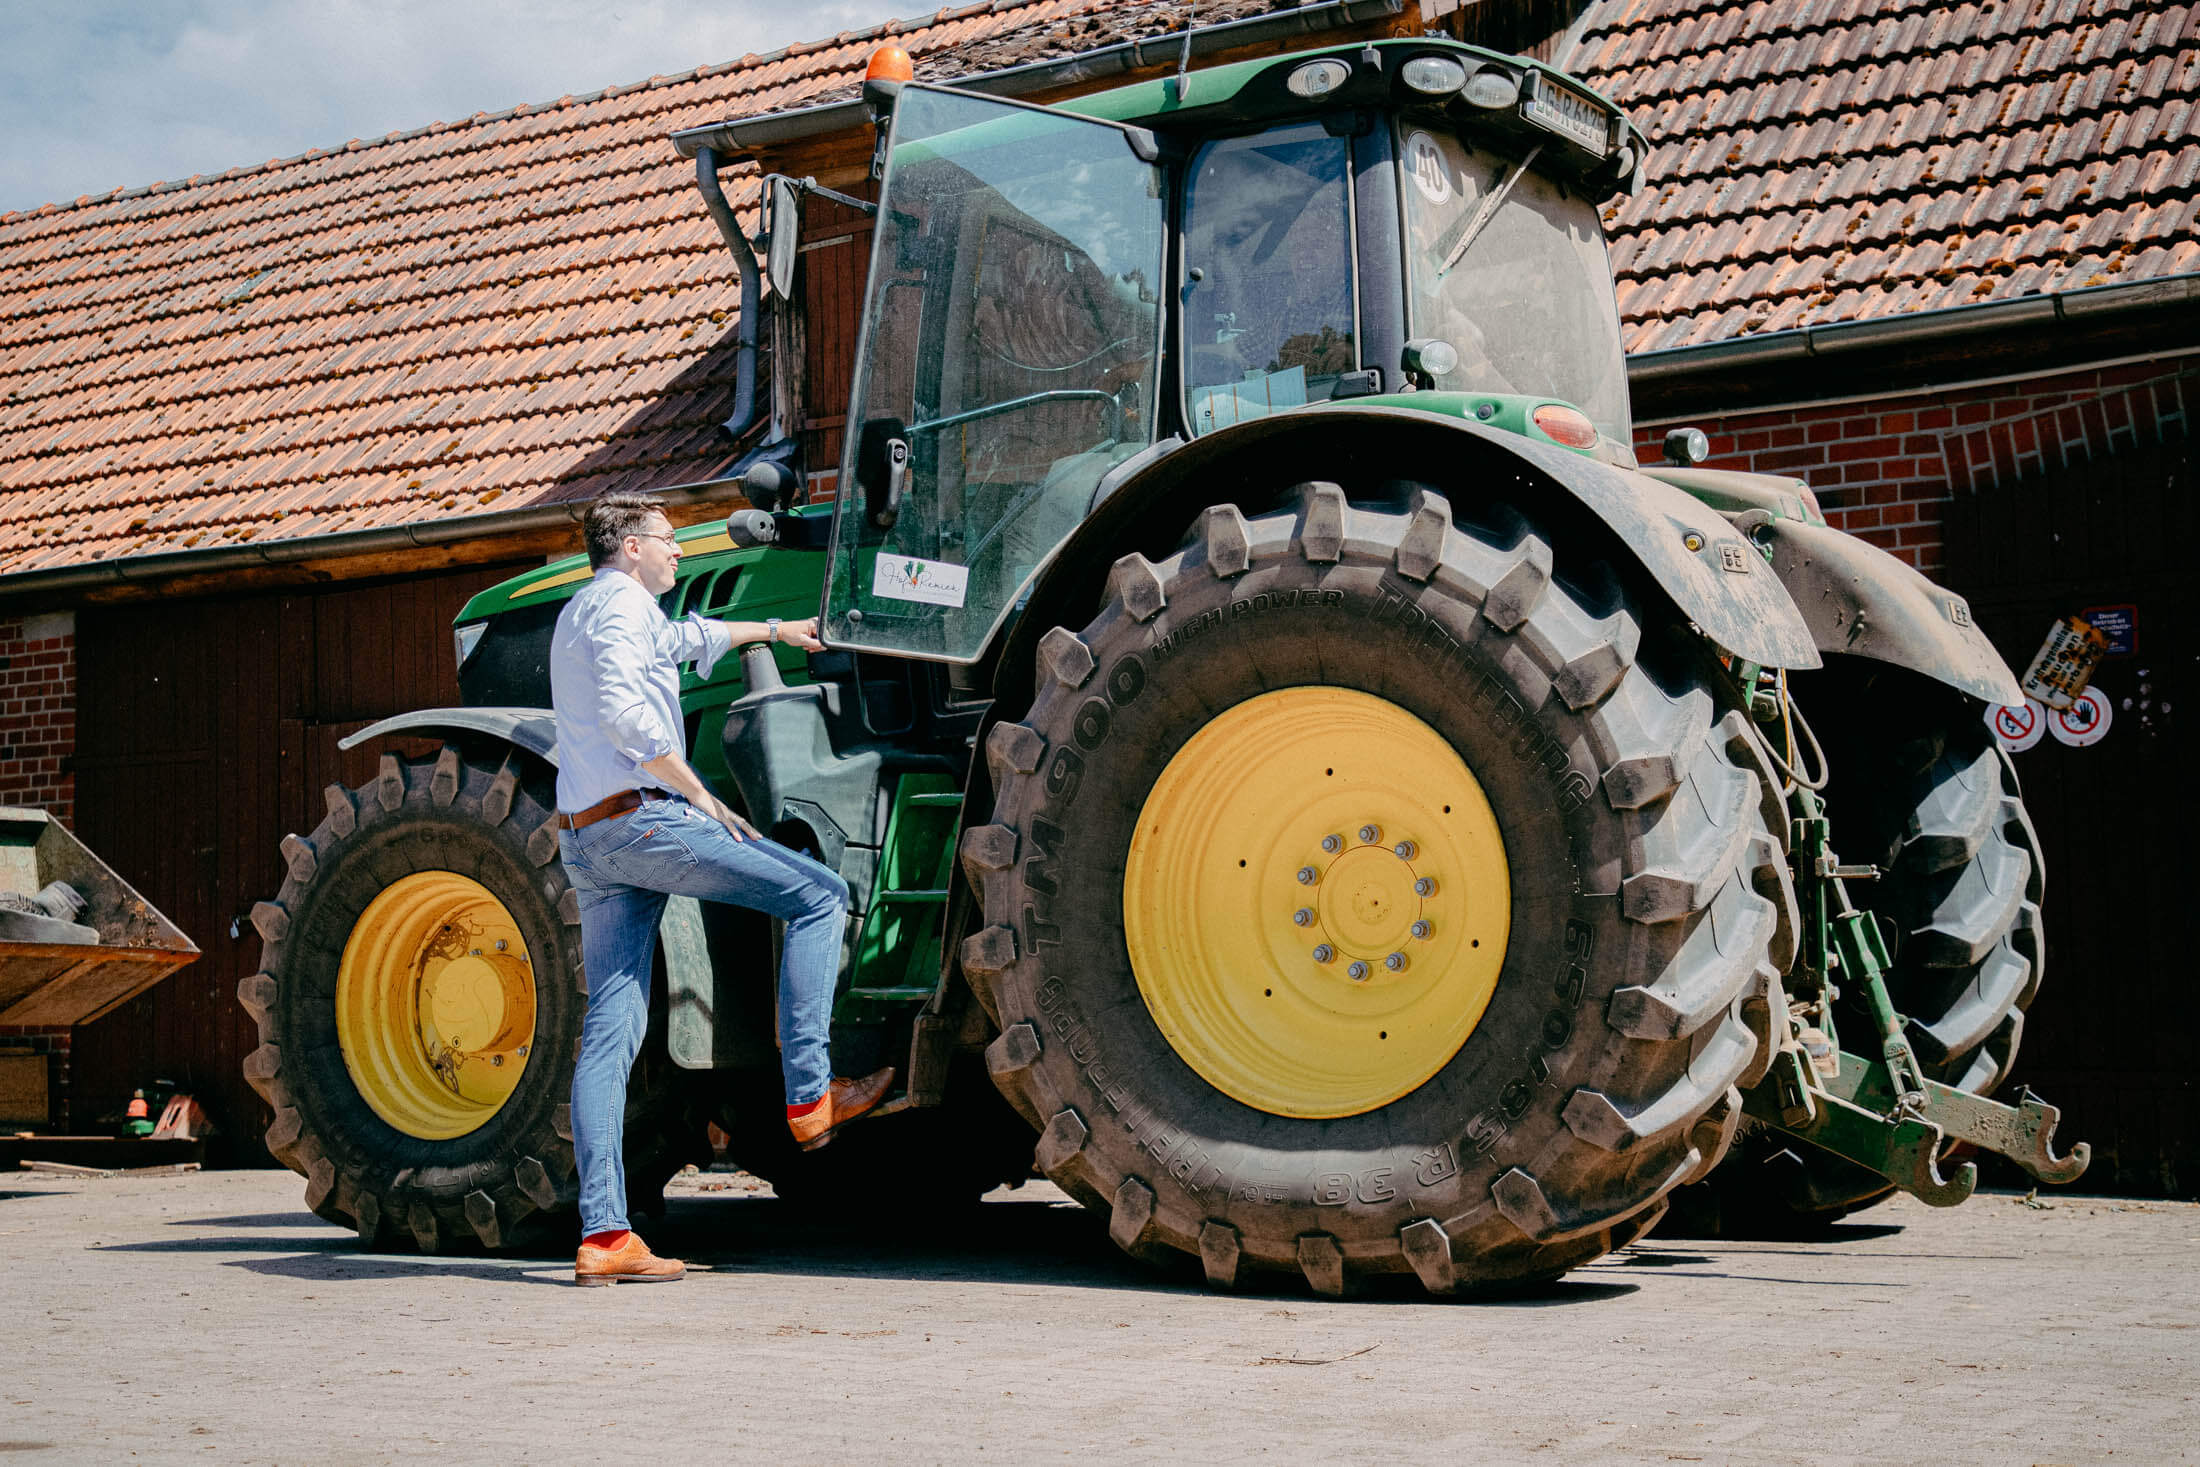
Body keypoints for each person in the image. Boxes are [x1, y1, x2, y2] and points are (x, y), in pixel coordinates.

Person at [550, 492, 893, 1286]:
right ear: (630, 547)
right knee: (815, 896)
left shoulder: (587, 610)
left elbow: (687, 639)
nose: (680, 551)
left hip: (588, 840)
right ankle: (812, 1093)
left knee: (612, 1028)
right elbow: (629, 719)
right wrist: (699, 793)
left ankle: (605, 1236)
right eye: (669, 540)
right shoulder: (619, 612)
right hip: (645, 820)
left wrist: (776, 631)